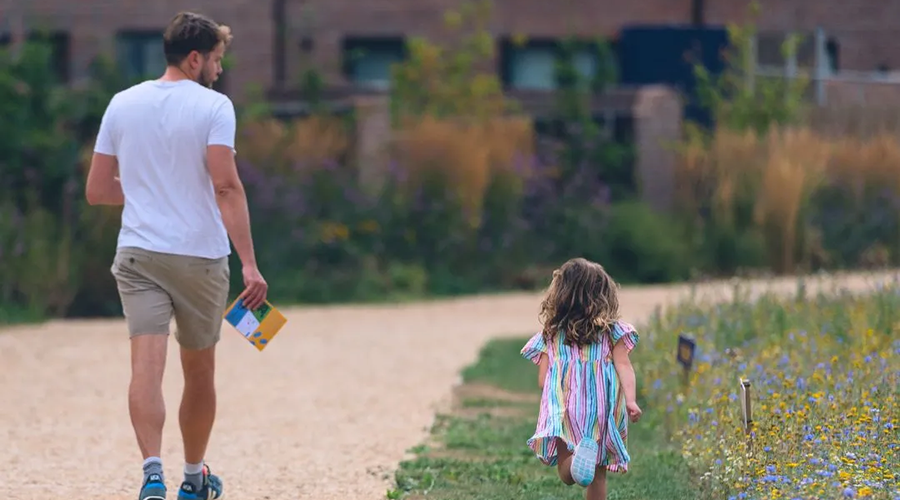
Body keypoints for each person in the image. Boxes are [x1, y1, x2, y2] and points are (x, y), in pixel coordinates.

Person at [85, 11, 268, 500]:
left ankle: (151, 475)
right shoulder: (214, 107)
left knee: (145, 368)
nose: (219, 70)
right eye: (216, 59)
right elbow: (226, 186)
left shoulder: (122, 104)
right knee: (199, 371)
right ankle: (192, 479)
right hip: (199, 259)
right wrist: (248, 263)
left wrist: (148, 192)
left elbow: (98, 190)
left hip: (139, 254)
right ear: (194, 59)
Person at [520, 257, 642, 500]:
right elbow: (625, 366)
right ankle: (583, 461)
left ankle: (575, 460)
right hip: (601, 408)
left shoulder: (552, 335)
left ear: (561, 296)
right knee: (598, 473)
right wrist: (631, 400)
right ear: (603, 297)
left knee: (567, 471)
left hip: (567, 409)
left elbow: (543, 380)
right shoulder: (612, 332)